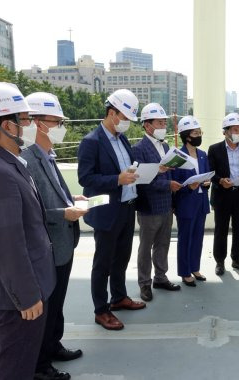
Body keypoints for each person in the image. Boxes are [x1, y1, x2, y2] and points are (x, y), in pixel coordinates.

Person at [0, 82, 56, 380]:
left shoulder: (8, 163)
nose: (30, 126)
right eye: (25, 120)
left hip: (20, 288)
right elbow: (8, 244)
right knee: (15, 364)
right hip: (18, 294)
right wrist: (27, 295)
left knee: (7, 353)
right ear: (7, 125)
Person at [21, 92, 86, 379]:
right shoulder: (27, 160)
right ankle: (41, 365)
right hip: (48, 246)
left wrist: (71, 197)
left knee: (57, 303)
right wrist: (63, 213)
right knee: (46, 308)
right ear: (36, 122)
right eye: (56, 121)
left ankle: (53, 345)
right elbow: (31, 209)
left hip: (63, 244)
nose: (61, 127)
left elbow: (52, 193)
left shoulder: (47, 155)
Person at [77, 89, 146, 331]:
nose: (127, 123)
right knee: (103, 263)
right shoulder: (91, 142)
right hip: (107, 211)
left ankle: (118, 298)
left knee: (121, 259)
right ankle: (101, 310)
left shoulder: (122, 139)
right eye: (125, 118)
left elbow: (125, 169)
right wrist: (117, 180)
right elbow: (86, 178)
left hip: (127, 208)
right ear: (111, 113)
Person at [133, 103, 182, 302]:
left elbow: (166, 171)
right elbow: (142, 181)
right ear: (147, 125)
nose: (164, 126)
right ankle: (144, 283)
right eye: (159, 122)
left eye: (164, 122)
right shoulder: (138, 149)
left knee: (163, 244)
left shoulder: (166, 146)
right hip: (149, 206)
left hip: (166, 205)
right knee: (146, 247)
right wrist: (167, 184)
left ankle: (160, 277)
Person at [208, 112, 239, 275]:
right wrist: (221, 180)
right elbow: (210, 172)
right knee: (221, 229)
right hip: (222, 195)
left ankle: (237, 259)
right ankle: (219, 261)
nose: (238, 133)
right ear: (225, 131)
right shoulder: (214, 149)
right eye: (235, 129)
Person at [171, 116, 211, 286]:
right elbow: (175, 181)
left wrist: (207, 183)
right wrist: (189, 187)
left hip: (201, 201)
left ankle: (195, 267)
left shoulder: (203, 155)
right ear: (187, 135)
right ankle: (185, 271)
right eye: (196, 133)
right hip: (186, 202)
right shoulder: (178, 155)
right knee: (185, 238)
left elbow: (207, 173)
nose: (199, 135)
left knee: (198, 237)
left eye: (199, 132)